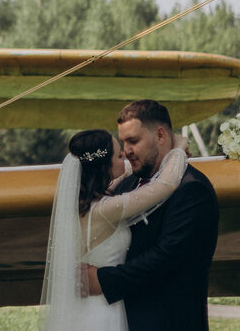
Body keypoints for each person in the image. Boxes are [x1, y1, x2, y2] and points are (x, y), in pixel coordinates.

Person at [86, 99, 220, 331]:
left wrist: (103, 280)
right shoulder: (128, 184)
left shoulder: (192, 188)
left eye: (133, 141)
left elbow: (166, 258)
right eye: (123, 142)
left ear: (160, 135)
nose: (126, 151)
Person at [40, 120, 188, 330]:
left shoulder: (82, 204)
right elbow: (166, 184)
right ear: (105, 166)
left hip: (84, 309)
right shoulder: (106, 209)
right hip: (102, 311)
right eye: (119, 156)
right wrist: (178, 149)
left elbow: (125, 171)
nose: (125, 156)